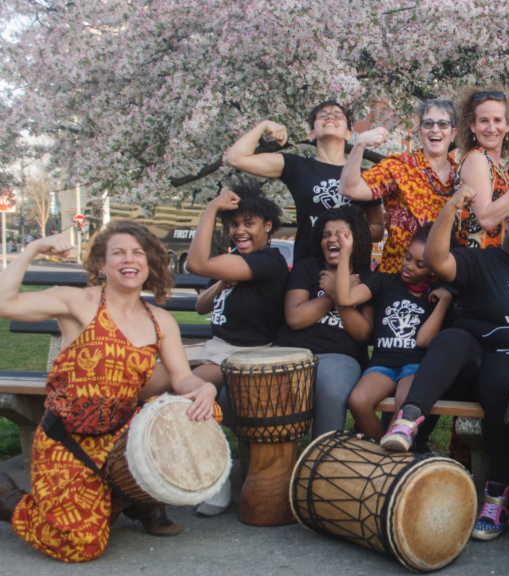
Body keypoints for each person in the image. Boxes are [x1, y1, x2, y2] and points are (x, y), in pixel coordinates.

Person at [0, 223, 220, 562]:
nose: (128, 260)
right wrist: (33, 249)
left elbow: (182, 380)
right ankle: (9, 499)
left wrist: (203, 387)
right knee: (80, 546)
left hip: (122, 439)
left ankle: (136, 498)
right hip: (68, 440)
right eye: (117, 252)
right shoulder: (77, 303)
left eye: (137, 252)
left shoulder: (161, 320)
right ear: (102, 265)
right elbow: (4, 302)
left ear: (149, 263)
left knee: (204, 411)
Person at [380, 190, 509, 541]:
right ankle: (407, 422)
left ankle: (498, 496)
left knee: (502, 379)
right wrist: (451, 207)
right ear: (508, 223)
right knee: (452, 338)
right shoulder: (481, 261)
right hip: (470, 360)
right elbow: (436, 259)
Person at [145, 177, 289, 517]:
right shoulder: (233, 262)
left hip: (246, 354)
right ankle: (145, 464)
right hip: (215, 347)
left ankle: (216, 480)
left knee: (187, 397)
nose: (240, 230)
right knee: (146, 383)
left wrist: (211, 207)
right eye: (233, 224)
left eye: (249, 223)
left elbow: (195, 265)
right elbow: (201, 307)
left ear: (268, 226)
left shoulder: (268, 261)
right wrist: (222, 282)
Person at [224, 100, 385, 262]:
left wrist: (350, 231)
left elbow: (378, 228)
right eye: (322, 116)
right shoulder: (296, 166)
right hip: (307, 267)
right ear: (312, 133)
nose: (330, 117)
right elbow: (235, 158)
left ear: (348, 134)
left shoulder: (365, 176)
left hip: (352, 269)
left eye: (338, 116)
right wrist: (263, 126)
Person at [335, 223, 453, 441]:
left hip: (415, 365)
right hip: (382, 362)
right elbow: (345, 298)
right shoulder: (385, 281)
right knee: (358, 401)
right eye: (408, 257)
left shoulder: (436, 294)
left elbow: (423, 341)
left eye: (420, 264)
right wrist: (345, 251)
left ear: (433, 268)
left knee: (405, 405)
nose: (408, 266)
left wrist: (444, 302)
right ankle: (385, 450)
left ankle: (390, 454)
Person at [274, 206, 375, 438]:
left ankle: (322, 456)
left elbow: (363, 333)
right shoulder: (307, 269)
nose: (333, 239)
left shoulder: (366, 279)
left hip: (339, 358)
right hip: (291, 351)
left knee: (333, 390)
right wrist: (335, 293)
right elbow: (295, 318)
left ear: (354, 240)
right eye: (326, 234)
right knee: (243, 397)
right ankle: (273, 459)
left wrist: (338, 292)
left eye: (341, 234)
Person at [340, 99, 459, 273]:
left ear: (453, 133)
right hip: (398, 278)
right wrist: (360, 144)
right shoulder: (399, 166)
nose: (435, 129)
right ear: (419, 131)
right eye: (428, 124)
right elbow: (348, 189)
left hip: (444, 281)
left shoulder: (462, 175)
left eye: (442, 124)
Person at [453, 85, 509, 248]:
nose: (491, 128)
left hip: (491, 262)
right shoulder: (476, 159)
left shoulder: (498, 168)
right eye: (484, 121)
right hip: (475, 263)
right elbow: (486, 219)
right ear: (473, 126)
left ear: (507, 126)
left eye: (497, 120)